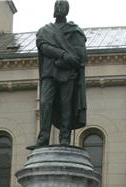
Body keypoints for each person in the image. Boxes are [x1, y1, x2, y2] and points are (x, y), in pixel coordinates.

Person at [27, 0, 87, 149]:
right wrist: (63, 55)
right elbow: (43, 46)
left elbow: (79, 56)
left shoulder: (75, 31)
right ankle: (43, 138)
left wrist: (66, 60)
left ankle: (65, 138)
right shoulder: (45, 31)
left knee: (66, 105)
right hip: (49, 72)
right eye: (57, 6)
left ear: (67, 10)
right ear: (54, 9)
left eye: (63, 6)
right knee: (45, 103)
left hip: (68, 72)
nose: (60, 8)